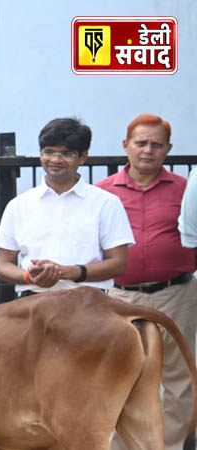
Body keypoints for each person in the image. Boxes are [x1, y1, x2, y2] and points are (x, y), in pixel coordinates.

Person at [95, 114, 196, 450]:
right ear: (126, 146)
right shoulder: (103, 194)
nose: (148, 151)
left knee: (177, 376)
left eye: (156, 144)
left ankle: (169, 446)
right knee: (117, 375)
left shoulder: (184, 190)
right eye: (141, 143)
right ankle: (118, 446)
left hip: (176, 293)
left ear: (168, 149)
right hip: (119, 297)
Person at [0, 117, 134, 297]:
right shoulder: (19, 205)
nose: (55, 159)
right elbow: (3, 265)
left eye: (67, 153)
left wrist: (68, 272)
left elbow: (118, 263)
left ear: (83, 157)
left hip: (89, 301)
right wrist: (30, 277)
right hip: (33, 301)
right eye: (49, 152)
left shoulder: (105, 203)